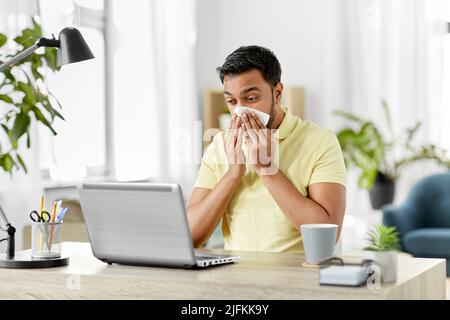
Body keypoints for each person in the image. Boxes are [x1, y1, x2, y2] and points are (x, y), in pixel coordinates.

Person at [187, 45, 346, 252]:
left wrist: (266, 168)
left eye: (251, 99)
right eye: (231, 101)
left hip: (298, 277)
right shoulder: (220, 145)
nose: (240, 111)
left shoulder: (319, 141)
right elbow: (190, 236)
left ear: (277, 93)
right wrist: (233, 173)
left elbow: (328, 236)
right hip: (234, 277)